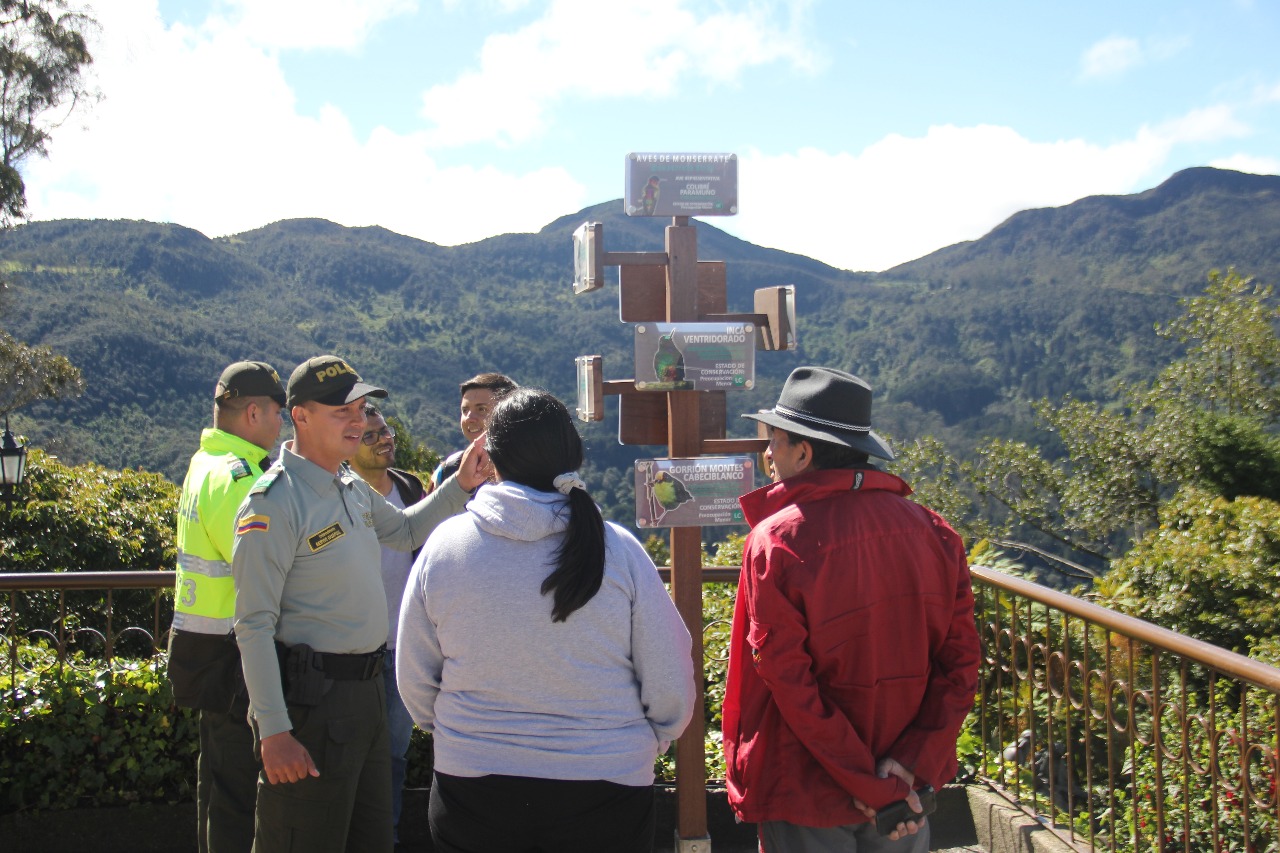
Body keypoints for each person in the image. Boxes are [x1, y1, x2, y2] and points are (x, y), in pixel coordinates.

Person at [396, 388, 697, 853]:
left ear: (491, 458)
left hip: (472, 786)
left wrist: (461, 733)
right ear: (572, 456)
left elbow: (415, 676)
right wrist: (649, 739)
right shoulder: (618, 549)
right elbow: (670, 673)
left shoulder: (445, 546)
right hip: (607, 786)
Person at [231, 355, 489, 853]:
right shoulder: (273, 503)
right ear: (300, 416)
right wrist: (274, 731)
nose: (358, 421)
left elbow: (406, 529)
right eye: (340, 411)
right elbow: (253, 625)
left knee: (372, 840)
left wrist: (461, 484)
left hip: (368, 694)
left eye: (362, 408)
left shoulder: (350, 486)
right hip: (312, 705)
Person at [723, 366, 980, 852]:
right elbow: (961, 665)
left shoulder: (776, 542)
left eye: (773, 439)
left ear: (804, 450)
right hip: (905, 793)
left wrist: (868, 785)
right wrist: (907, 772)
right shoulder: (935, 532)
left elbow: (789, 681)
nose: (767, 454)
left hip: (807, 789)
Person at [169, 360, 286, 853]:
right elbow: (270, 570)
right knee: (241, 799)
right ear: (254, 413)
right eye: (279, 413)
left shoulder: (204, 463)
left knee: (216, 787)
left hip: (202, 649)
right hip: (235, 655)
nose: (283, 425)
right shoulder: (241, 479)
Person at [347, 402, 428, 845]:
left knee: (394, 755)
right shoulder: (339, 495)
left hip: (401, 650)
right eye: (371, 435)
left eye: (386, 431)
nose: (385, 439)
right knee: (350, 756)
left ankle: (387, 838)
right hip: (352, 652)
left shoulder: (409, 488)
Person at [427, 372, 517, 491]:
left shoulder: (534, 472)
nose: (469, 418)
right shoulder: (448, 470)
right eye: (465, 410)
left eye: (481, 409)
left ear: (508, 414)